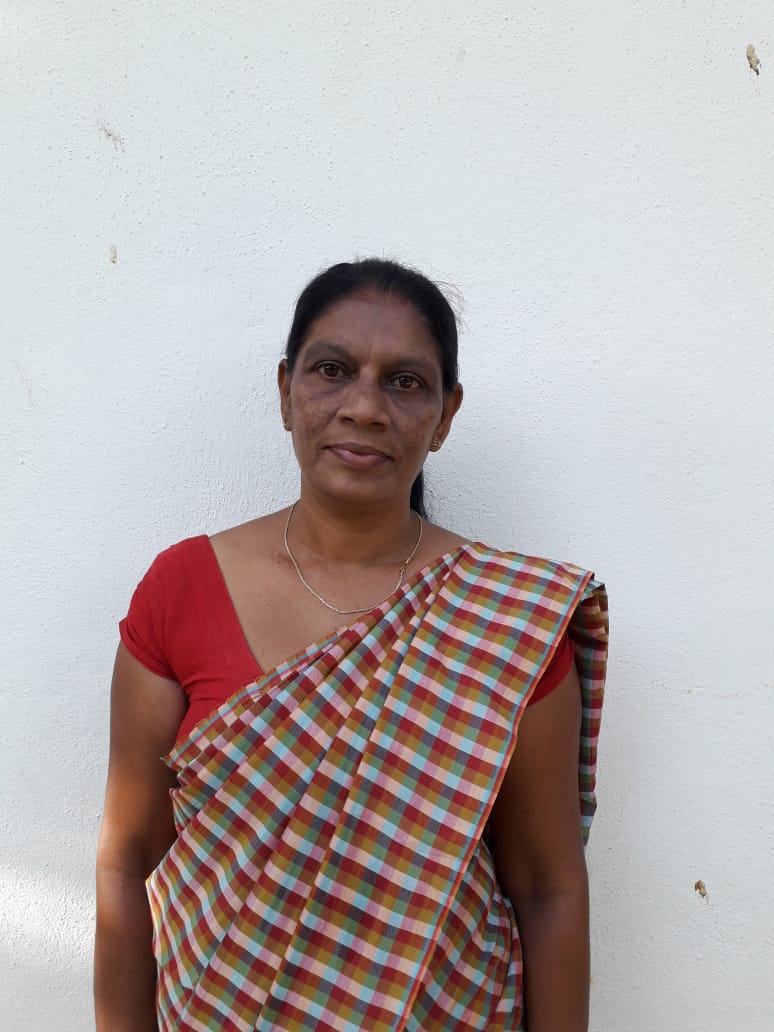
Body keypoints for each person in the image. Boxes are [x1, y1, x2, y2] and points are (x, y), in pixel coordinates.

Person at [94, 258, 608, 1032]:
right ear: (285, 392)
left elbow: (547, 887)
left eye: (405, 382)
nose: (365, 407)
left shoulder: (507, 620)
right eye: (332, 370)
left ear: (445, 414)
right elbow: (128, 861)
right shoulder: (183, 590)